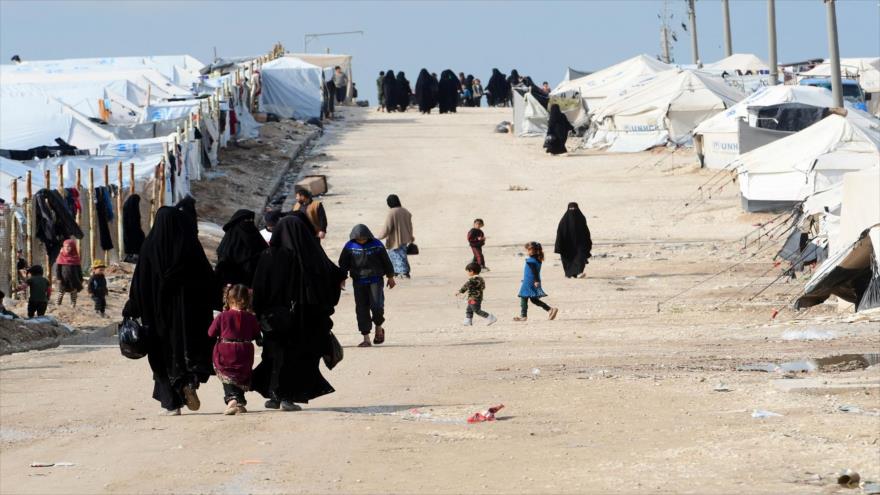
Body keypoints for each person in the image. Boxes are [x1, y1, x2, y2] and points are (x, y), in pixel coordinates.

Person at [123, 206, 221, 415]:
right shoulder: (190, 248)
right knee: (189, 351)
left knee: (161, 355)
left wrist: (133, 306)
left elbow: (139, 283)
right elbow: (207, 279)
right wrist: (218, 302)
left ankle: (172, 403)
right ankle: (189, 382)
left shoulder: (149, 248)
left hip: (157, 318)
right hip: (189, 318)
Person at [251, 216, 343, 411]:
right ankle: (286, 397)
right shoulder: (311, 255)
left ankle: (275, 395)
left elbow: (259, 289)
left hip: (275, 320)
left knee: (274, 356)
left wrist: (259, 316)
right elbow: (331, 279)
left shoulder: (269, 256)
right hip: (305, 320)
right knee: (297, 357)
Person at [338, 224, 396, 347]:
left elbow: (386, 261)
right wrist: (342, 278)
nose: (361, 241)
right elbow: (343, 263)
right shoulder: (350, 246)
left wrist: (390, 277)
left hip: (375, 280)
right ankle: (366, 338)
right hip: (359, 282)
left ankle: (379, 328)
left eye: (363, 238)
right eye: (359, 239)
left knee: (377, 306)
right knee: (361, 309)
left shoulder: (377, 244)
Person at [208, 284, 261, 415]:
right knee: (240, 374)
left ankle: (232, 400)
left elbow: (211, 332)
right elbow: (256, 334)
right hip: (245, 349)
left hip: (225, 349)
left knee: (228, 375)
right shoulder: (251, 317)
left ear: (228, 299)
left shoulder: (222, 316)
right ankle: (240, 401)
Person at [215, 209, 267, 287]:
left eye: (251, 220)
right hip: (230, 284)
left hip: (249, 285)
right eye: (247, 220)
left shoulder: (256, 237)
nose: (249, 222)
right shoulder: (230, 239)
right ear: (238, 221)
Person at [514, 242, 559, 322]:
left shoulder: (531, 260)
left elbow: (534, 271)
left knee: (523, 297)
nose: (528, 252)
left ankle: (523, 316)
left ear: (534, 251)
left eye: (529, 250)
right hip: (529, 280)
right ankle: (550, 309)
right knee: (534, 299)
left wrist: (536, 281)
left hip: (530, 282)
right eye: (527, 250)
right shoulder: (537, 260)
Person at [378, 194, 414, 278]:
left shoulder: (392, 212)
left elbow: (387, 227)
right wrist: (411, 236)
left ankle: (401, 272)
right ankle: (404, 271)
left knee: (396, 255)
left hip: (395, 239)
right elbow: (410, 225)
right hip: (405, 238)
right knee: (402, 255)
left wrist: (380, 237)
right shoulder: (405, 211)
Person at [555, 203, 593, 279]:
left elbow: (586, 231)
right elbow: (560, 234)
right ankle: (569, 273)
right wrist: (559, 245)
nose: (573, 211)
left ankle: (579, 272)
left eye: (574, 209)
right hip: (567, 245)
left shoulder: (581, 218)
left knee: (580, 257)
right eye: (571, 209)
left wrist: (588, 242)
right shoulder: (564, 221)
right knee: (568, 259)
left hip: (580, 243)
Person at [55, 239, 83, 307]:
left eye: (69, 246)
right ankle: (58, 304)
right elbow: (57, 269)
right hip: (64, 279)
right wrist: (59, 278)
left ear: (73, 247)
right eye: (66, 246)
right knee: (61, 292)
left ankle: (73, 305)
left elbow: (79, 269)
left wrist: (80, 278)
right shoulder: (60, 257)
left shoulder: (76, 257)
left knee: (74, 292)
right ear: (63, 247)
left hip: (74, 279)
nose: (67, 248)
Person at [122, 194, 145, 263]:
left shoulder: (127, 206)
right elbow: (134, 221)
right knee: (136, 241)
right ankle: (134, 257)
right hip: (131, 231)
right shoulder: (131, 207)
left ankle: (132, 256)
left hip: (129, 231)